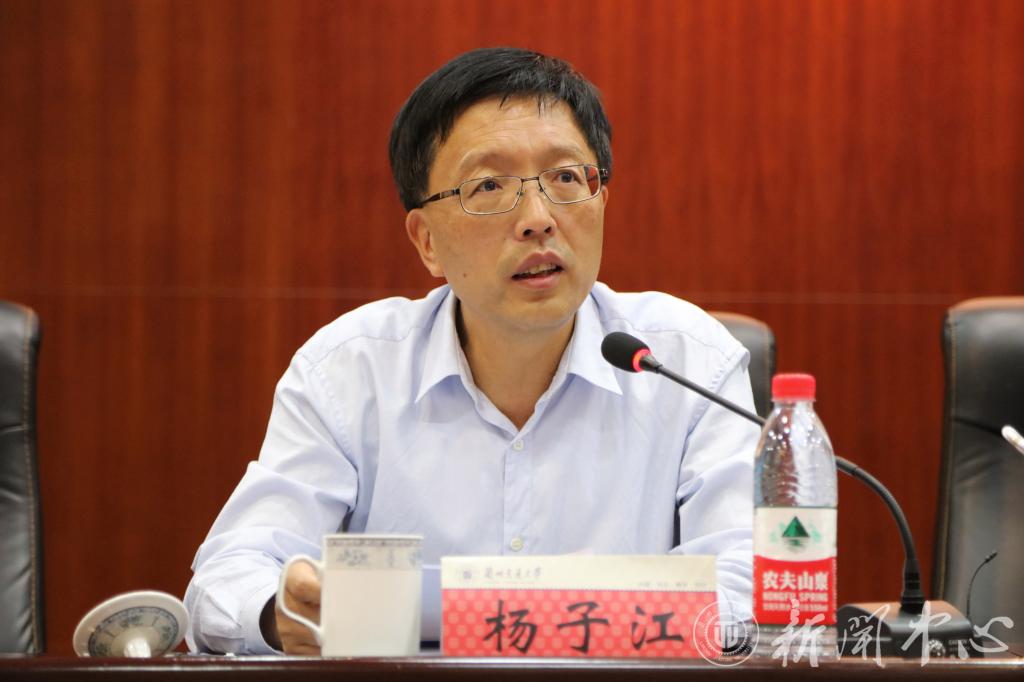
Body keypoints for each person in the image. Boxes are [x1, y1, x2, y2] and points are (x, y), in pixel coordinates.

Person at [185, 47, 759, 655]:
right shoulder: (350, 373)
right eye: (488, 186)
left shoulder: (689, 364)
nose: (538, 218)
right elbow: (227, 581)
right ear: (426, 242)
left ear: (602, 202)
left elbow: (749, 585)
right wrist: (281, 614)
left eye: (566, 178)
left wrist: (511, 617)